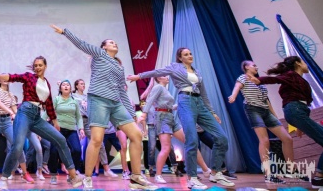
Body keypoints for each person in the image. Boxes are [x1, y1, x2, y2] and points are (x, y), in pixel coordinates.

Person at [51, 25, 155, 190]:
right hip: (98, 100)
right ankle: (87, 178)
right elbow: (81, 44)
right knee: (97, 140)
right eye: (111, 42)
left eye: (115, 42)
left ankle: (136, 177)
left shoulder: (119, 67)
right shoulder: (99, 54)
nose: (114, 44)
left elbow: (122, 91)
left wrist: (133, 114)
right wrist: (65, 32)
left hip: (115, 103)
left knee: (136, 135)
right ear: (104, 47)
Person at [127, 47, 234, 189]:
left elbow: (204, 94)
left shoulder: (197, 72)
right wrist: (139, 76)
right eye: (186, 54)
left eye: (190, 54)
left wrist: (212, 112)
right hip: (185, 102)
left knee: (222, 138)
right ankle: (192, 178)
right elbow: (157, 72)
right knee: (191, 140)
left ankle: (215, 172)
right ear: (180, 58)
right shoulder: (174, 68)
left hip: (199, 104)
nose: (190, 56)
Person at [0, 57, 84, 190]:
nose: (37, 67)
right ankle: (4, 178)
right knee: (17, 147)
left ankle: (73, 176)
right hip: (24, 113)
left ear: (45, 66)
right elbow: (12, 77)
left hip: (37, 117)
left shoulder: (46, 83)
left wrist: (55, 121)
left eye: (40, 65)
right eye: (35, 65)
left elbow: (49, 104)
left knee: (60, 139)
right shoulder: (29, 77)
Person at [247, 56, 323, 188]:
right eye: (304, 62)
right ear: (298, 64)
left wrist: (299, 126)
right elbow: (276, 79)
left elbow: (304, 103)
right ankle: (319, 177)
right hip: (295, 110)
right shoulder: (291, 75)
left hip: (298, 112)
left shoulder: (299, 81)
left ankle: (318, 176)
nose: (306, 65)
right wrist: (259, 80)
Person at [228, 60, 293, 183]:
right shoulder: (243, 77)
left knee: (287, 139)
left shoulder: (259, 81)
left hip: (266, 111)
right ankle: (268, 174)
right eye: (253, 65)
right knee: (264, 140)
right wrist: (233, 96)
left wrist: (275, 116)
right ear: (246, 67)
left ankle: (291, 170)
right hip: (253, 109)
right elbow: (237, 87)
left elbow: (266, 100)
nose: (256, 67)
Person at [140, 76, 206, 184]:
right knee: (166, 148)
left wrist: (179, 105)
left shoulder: (164, 89)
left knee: (190, 141)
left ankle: (206, 170)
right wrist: (144, 114)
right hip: (162, 118)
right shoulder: (158, 87)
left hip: (170, 117)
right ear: (159, 78)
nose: (167, 77)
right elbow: (149, 100)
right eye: (164, 76)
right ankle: (158, 175)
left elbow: (168, 106)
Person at [0, 78, 33, 185]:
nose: (5, 80)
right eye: (2, 78)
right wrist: (11, 112)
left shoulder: (11, 95)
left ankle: (25, 173)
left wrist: (20, 117)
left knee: (18, 146)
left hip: (7, 122)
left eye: (6, 78)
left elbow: (15, 109)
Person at [47, 79, 85, 182]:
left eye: (68, 85)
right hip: (58, 130)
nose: (66, 86)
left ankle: (73, 174)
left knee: (77, 150)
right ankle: (53, 174)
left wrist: (81, 128)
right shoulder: (56, 99)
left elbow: (78, 117)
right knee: (54, 151)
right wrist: (40, 124)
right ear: (60, 88)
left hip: (71, 130)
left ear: (70, 88)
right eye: (63, 85)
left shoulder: (74, 101)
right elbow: (48, 112)